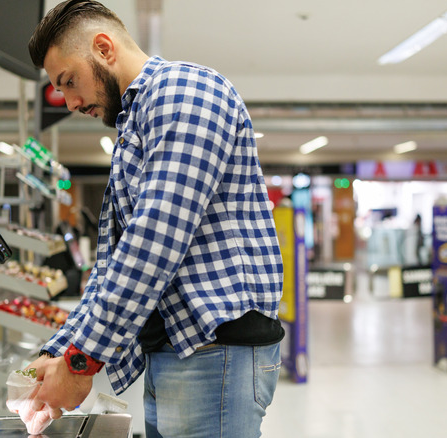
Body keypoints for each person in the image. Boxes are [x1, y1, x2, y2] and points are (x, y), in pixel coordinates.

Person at [25, 2, 285, 437]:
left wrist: (81, 362)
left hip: (213, 354)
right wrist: (58, 353)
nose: (69, 102)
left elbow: (154, 242)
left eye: (69, 81)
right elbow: (115, 263)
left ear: (104, 48)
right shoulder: (135, 124)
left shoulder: (186, 91)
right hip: (176, 351)